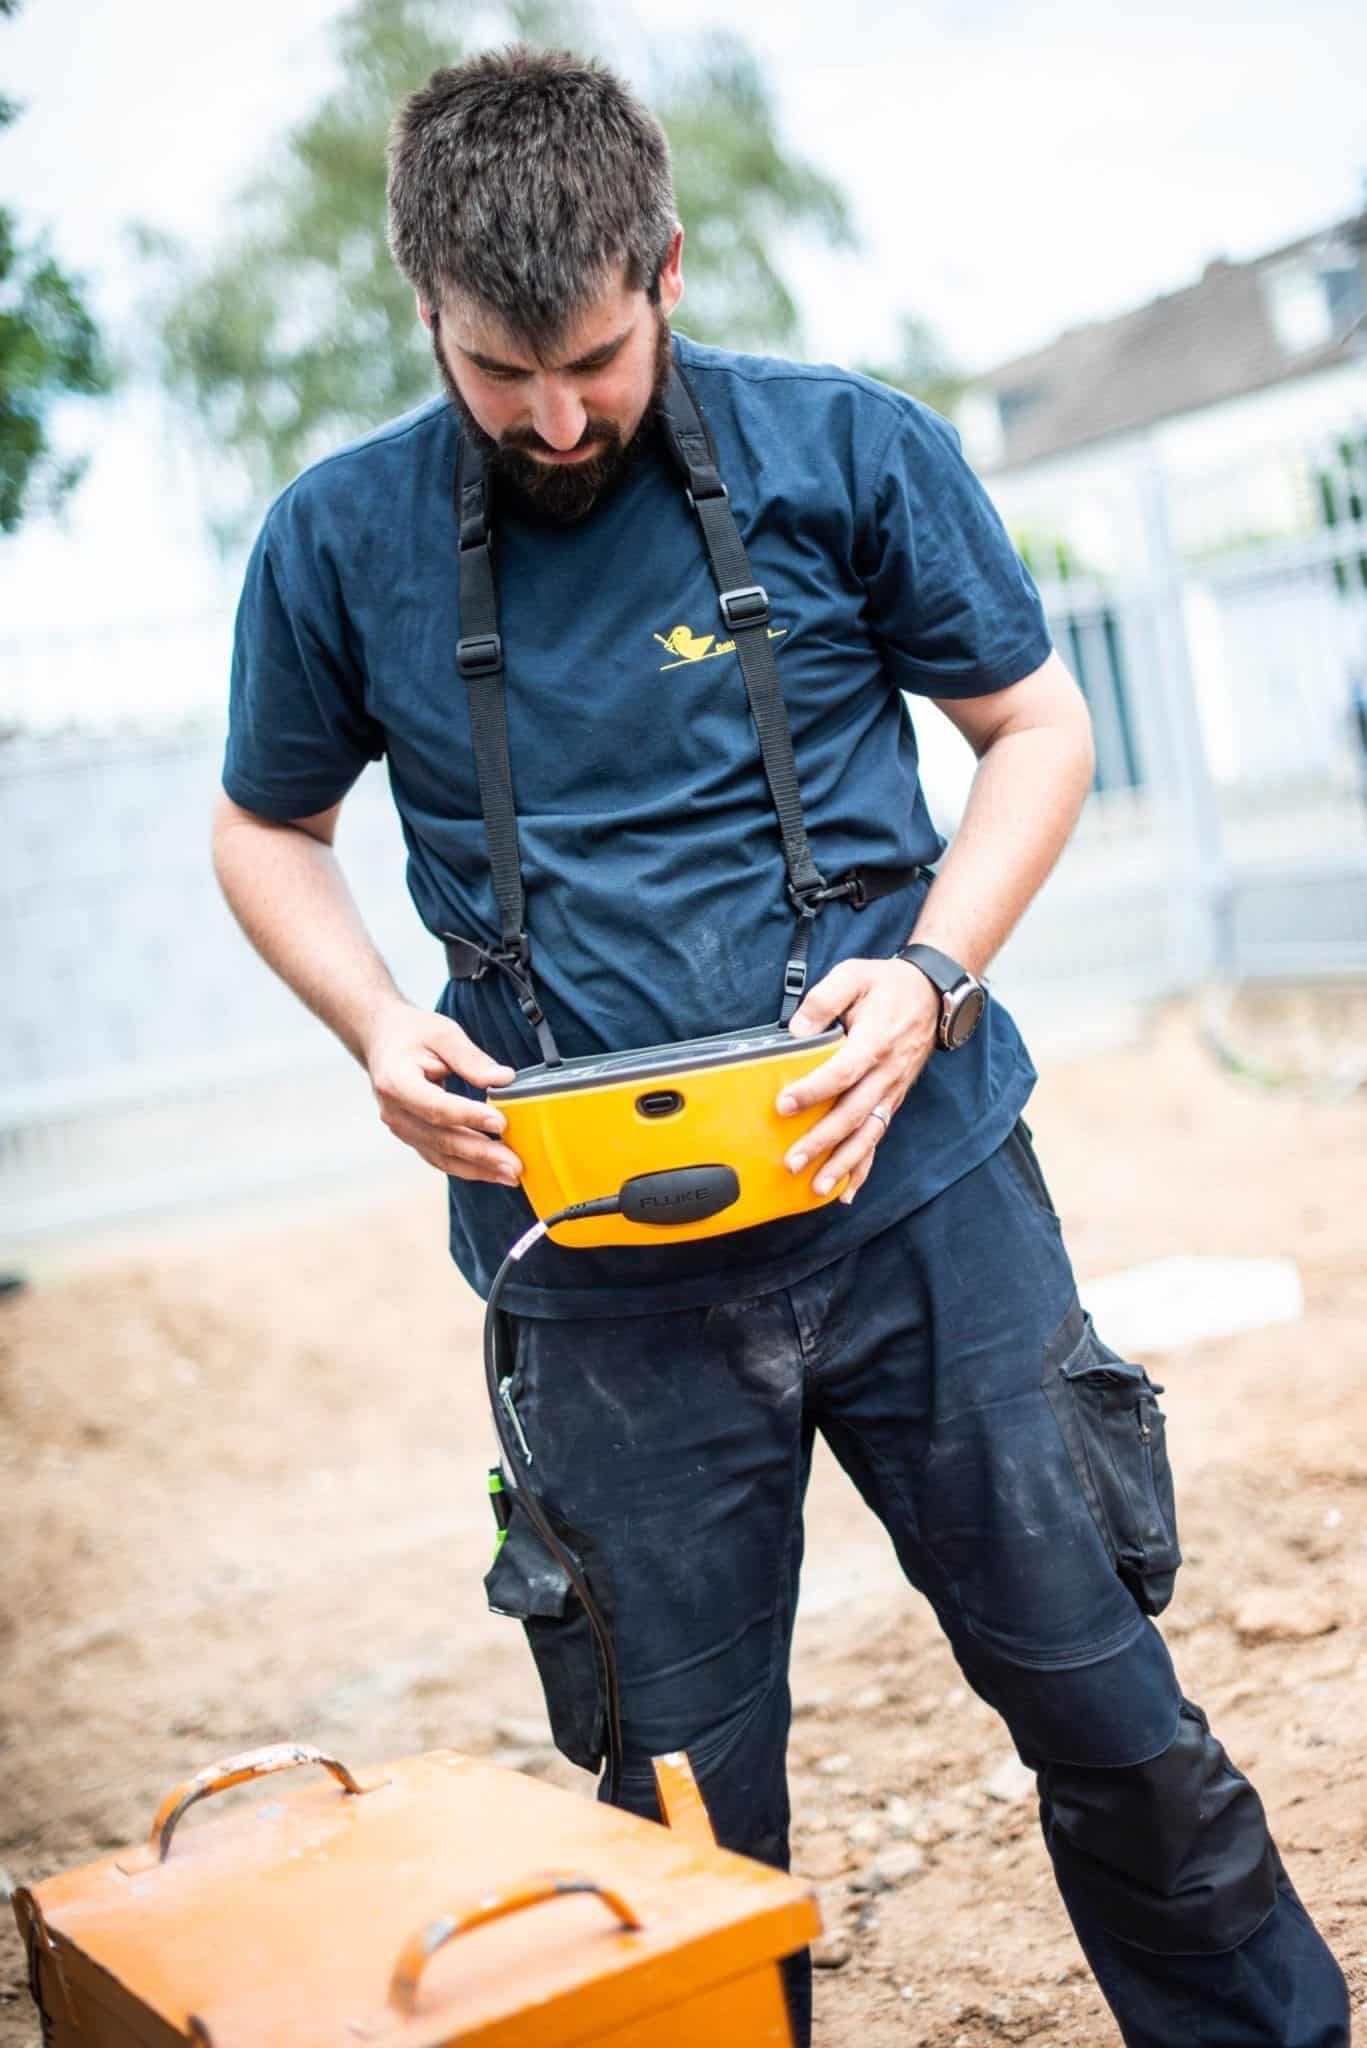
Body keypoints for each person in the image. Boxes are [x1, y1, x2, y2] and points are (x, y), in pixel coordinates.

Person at [214, 46, 1349, 2048]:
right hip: (596, 1284)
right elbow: (265, 829)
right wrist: (377, 1021)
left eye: (594, 357)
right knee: (680, 1825)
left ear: (666, 267)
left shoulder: (851, 449)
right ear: (425, 311)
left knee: (1114, 1717)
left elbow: (1036, 729)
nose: (556, 418)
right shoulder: (334, 542)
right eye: (498, 372)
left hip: (925, 1212)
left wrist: (930, 975)